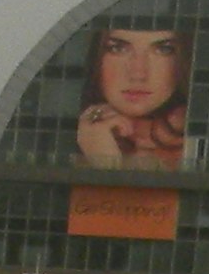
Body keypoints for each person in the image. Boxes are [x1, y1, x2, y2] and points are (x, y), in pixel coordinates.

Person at [76, 25, 189, 167]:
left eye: (164, 50)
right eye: (118, 49)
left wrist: (104, 163)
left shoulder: (204, 145)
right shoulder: (58, 137)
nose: (138, 74)